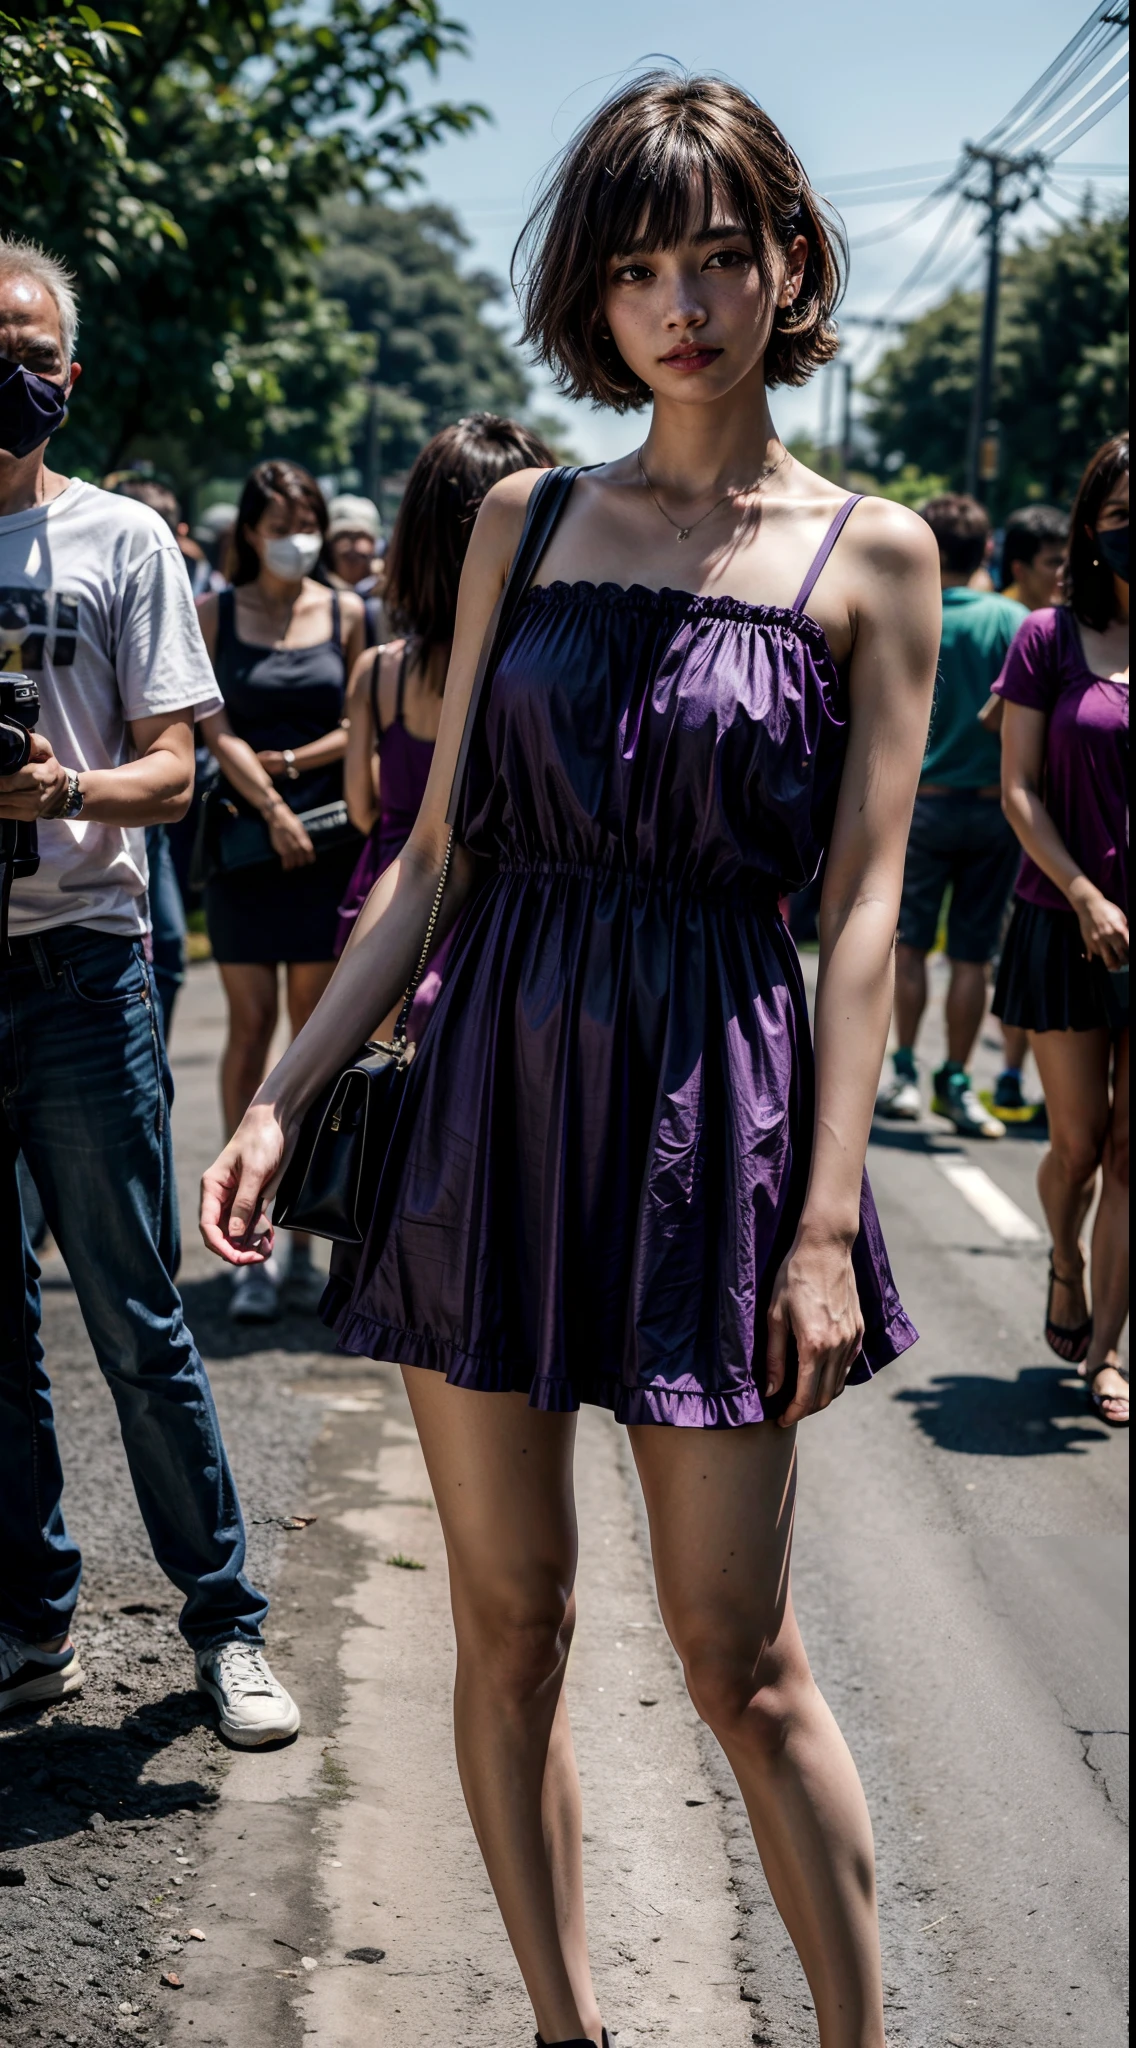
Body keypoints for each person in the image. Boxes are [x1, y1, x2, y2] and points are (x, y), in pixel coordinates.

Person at [202, 73, 940, 2048]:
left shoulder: (870, 557)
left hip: (720, 1108)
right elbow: (440, 859)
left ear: (789, 261)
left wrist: (826, 1212)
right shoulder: (524, 521)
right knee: (507, 1623)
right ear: (589, 301)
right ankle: (565, 2026)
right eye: (635, 267)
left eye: (718, 253)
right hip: (493, 1108)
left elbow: (862, 911)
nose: (681, 301)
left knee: (739, 1657)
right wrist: (281, 1093)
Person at [0, 233, 299, 1744]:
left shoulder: (121, 542)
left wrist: (66, 782)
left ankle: (226, 1623)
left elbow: (181, 774)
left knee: (132, 1318)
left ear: (69, 369)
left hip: (83, 972)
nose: (11, 371)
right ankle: (32, 1619)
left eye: (30, 346)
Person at [197, 460, 366, 1323]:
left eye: (307, 515)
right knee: (250, 1030)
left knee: (313, 1040)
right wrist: (269, 806)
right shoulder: (215, 612)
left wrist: (297, 771)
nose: (293, 531)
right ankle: (243, 1239)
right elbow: (207, 720)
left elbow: (363, 718)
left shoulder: (347, 611)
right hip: (244, 846)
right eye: (279, 518)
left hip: (330, 845)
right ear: (251, 529)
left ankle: (304, 1234)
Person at [993, 433, 1129, 1428]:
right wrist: (1083, 892)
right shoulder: (1045, 637)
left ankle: (1108, 1351)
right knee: (1078, 1146)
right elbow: (1018, 789)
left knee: (1130, 1154)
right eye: (1123, 519)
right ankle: (1062, 1254)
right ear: (1089, 526)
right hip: (1060, 920)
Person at [336, 415, 555, 993]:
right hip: (506, 929)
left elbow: (363, 809)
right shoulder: (545, 682)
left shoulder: (377, 671)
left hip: (384, 912)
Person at [876, 494, 1026, 1137]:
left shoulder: (912, 609)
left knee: (907, 948)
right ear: (987, 551)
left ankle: (905, 1071)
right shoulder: (1015, 621)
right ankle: (957, 1082)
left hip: (921, 811)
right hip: (998, 813)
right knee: (973, 958)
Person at [988, 503, 1069, 1117]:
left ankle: (1016, 1073)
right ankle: (1016, 1072)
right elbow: (993, 718)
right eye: (1052, 562)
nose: (1063, 571)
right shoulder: (1034, 627)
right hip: (1029, 821)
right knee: (1012, 952)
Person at [1001, 503, 1068, 611]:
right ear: (1019, 571)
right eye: (1055, 563)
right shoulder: (999, 622)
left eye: (1069, 562)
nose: (1065, 572)